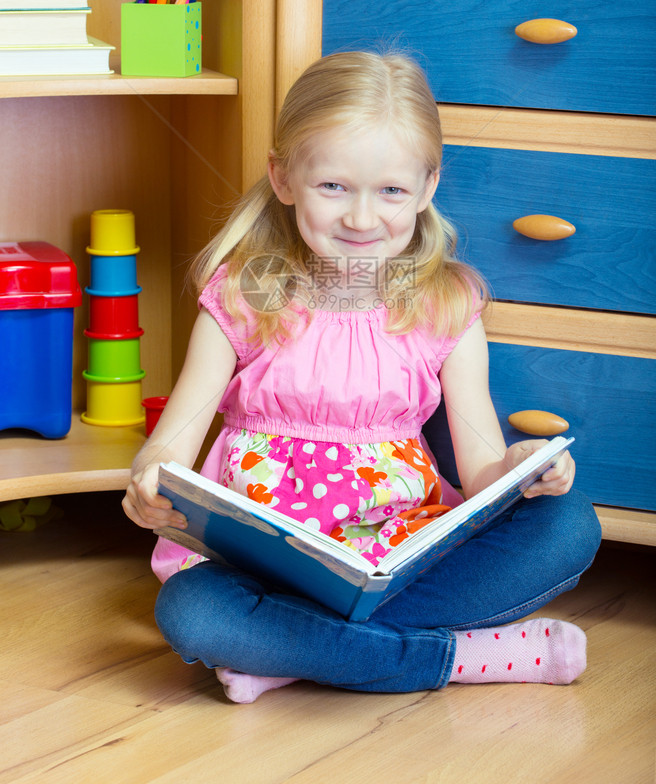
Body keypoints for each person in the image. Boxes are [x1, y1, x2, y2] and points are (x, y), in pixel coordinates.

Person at [122, 51, 601, 704]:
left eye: (392, 192)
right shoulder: (242, 295)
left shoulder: (446, 304)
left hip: (401, 559)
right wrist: (150, 481)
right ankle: (458, 656)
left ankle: (294, 650)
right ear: (284, 176)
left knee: (569, 523)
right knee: (191, 610)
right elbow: (170, 445)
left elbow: (483, 470)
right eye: (334, 187)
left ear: (428, 187)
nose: (361, 218)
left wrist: (523, 467)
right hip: (261, 573)